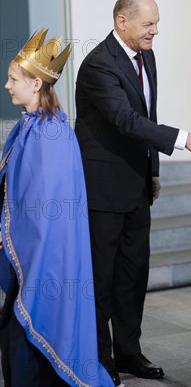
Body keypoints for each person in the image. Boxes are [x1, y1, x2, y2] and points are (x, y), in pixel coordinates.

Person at [74, 0, 191, 386]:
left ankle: (129, 352)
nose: (156, 31)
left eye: (156, 22)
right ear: (122, 22)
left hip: (136, 186)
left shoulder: (145, 54)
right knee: (102, 281)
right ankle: (100, 359)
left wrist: (152, 170)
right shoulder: (99, 64)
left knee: (133, 276)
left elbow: (149, 114)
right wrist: (185, 139)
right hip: (103, 190)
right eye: (149, 24)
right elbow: (127, 121)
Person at [0, 29, 114, 386]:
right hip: (28, 249)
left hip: (45, 257)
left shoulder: (52, 133)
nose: (7, 86)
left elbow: (46, 209)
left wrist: (9, 233)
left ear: (36, 84)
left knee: (26, 337)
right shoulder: (29, 126)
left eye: (13, 79)